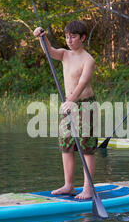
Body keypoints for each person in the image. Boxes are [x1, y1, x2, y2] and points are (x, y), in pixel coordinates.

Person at [33, 21, 97, 200]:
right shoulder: (64, 54)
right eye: (67, 36)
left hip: (85, 105)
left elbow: (83, 83)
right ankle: (69, 185)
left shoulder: (88, 60)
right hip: (68, 104)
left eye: (73, 37)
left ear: (82, 38)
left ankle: (88, 188)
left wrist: (71, 101)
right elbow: (49, 51)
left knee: (86, 148)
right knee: (66, 145)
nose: (69, 40)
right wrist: (42, 37)